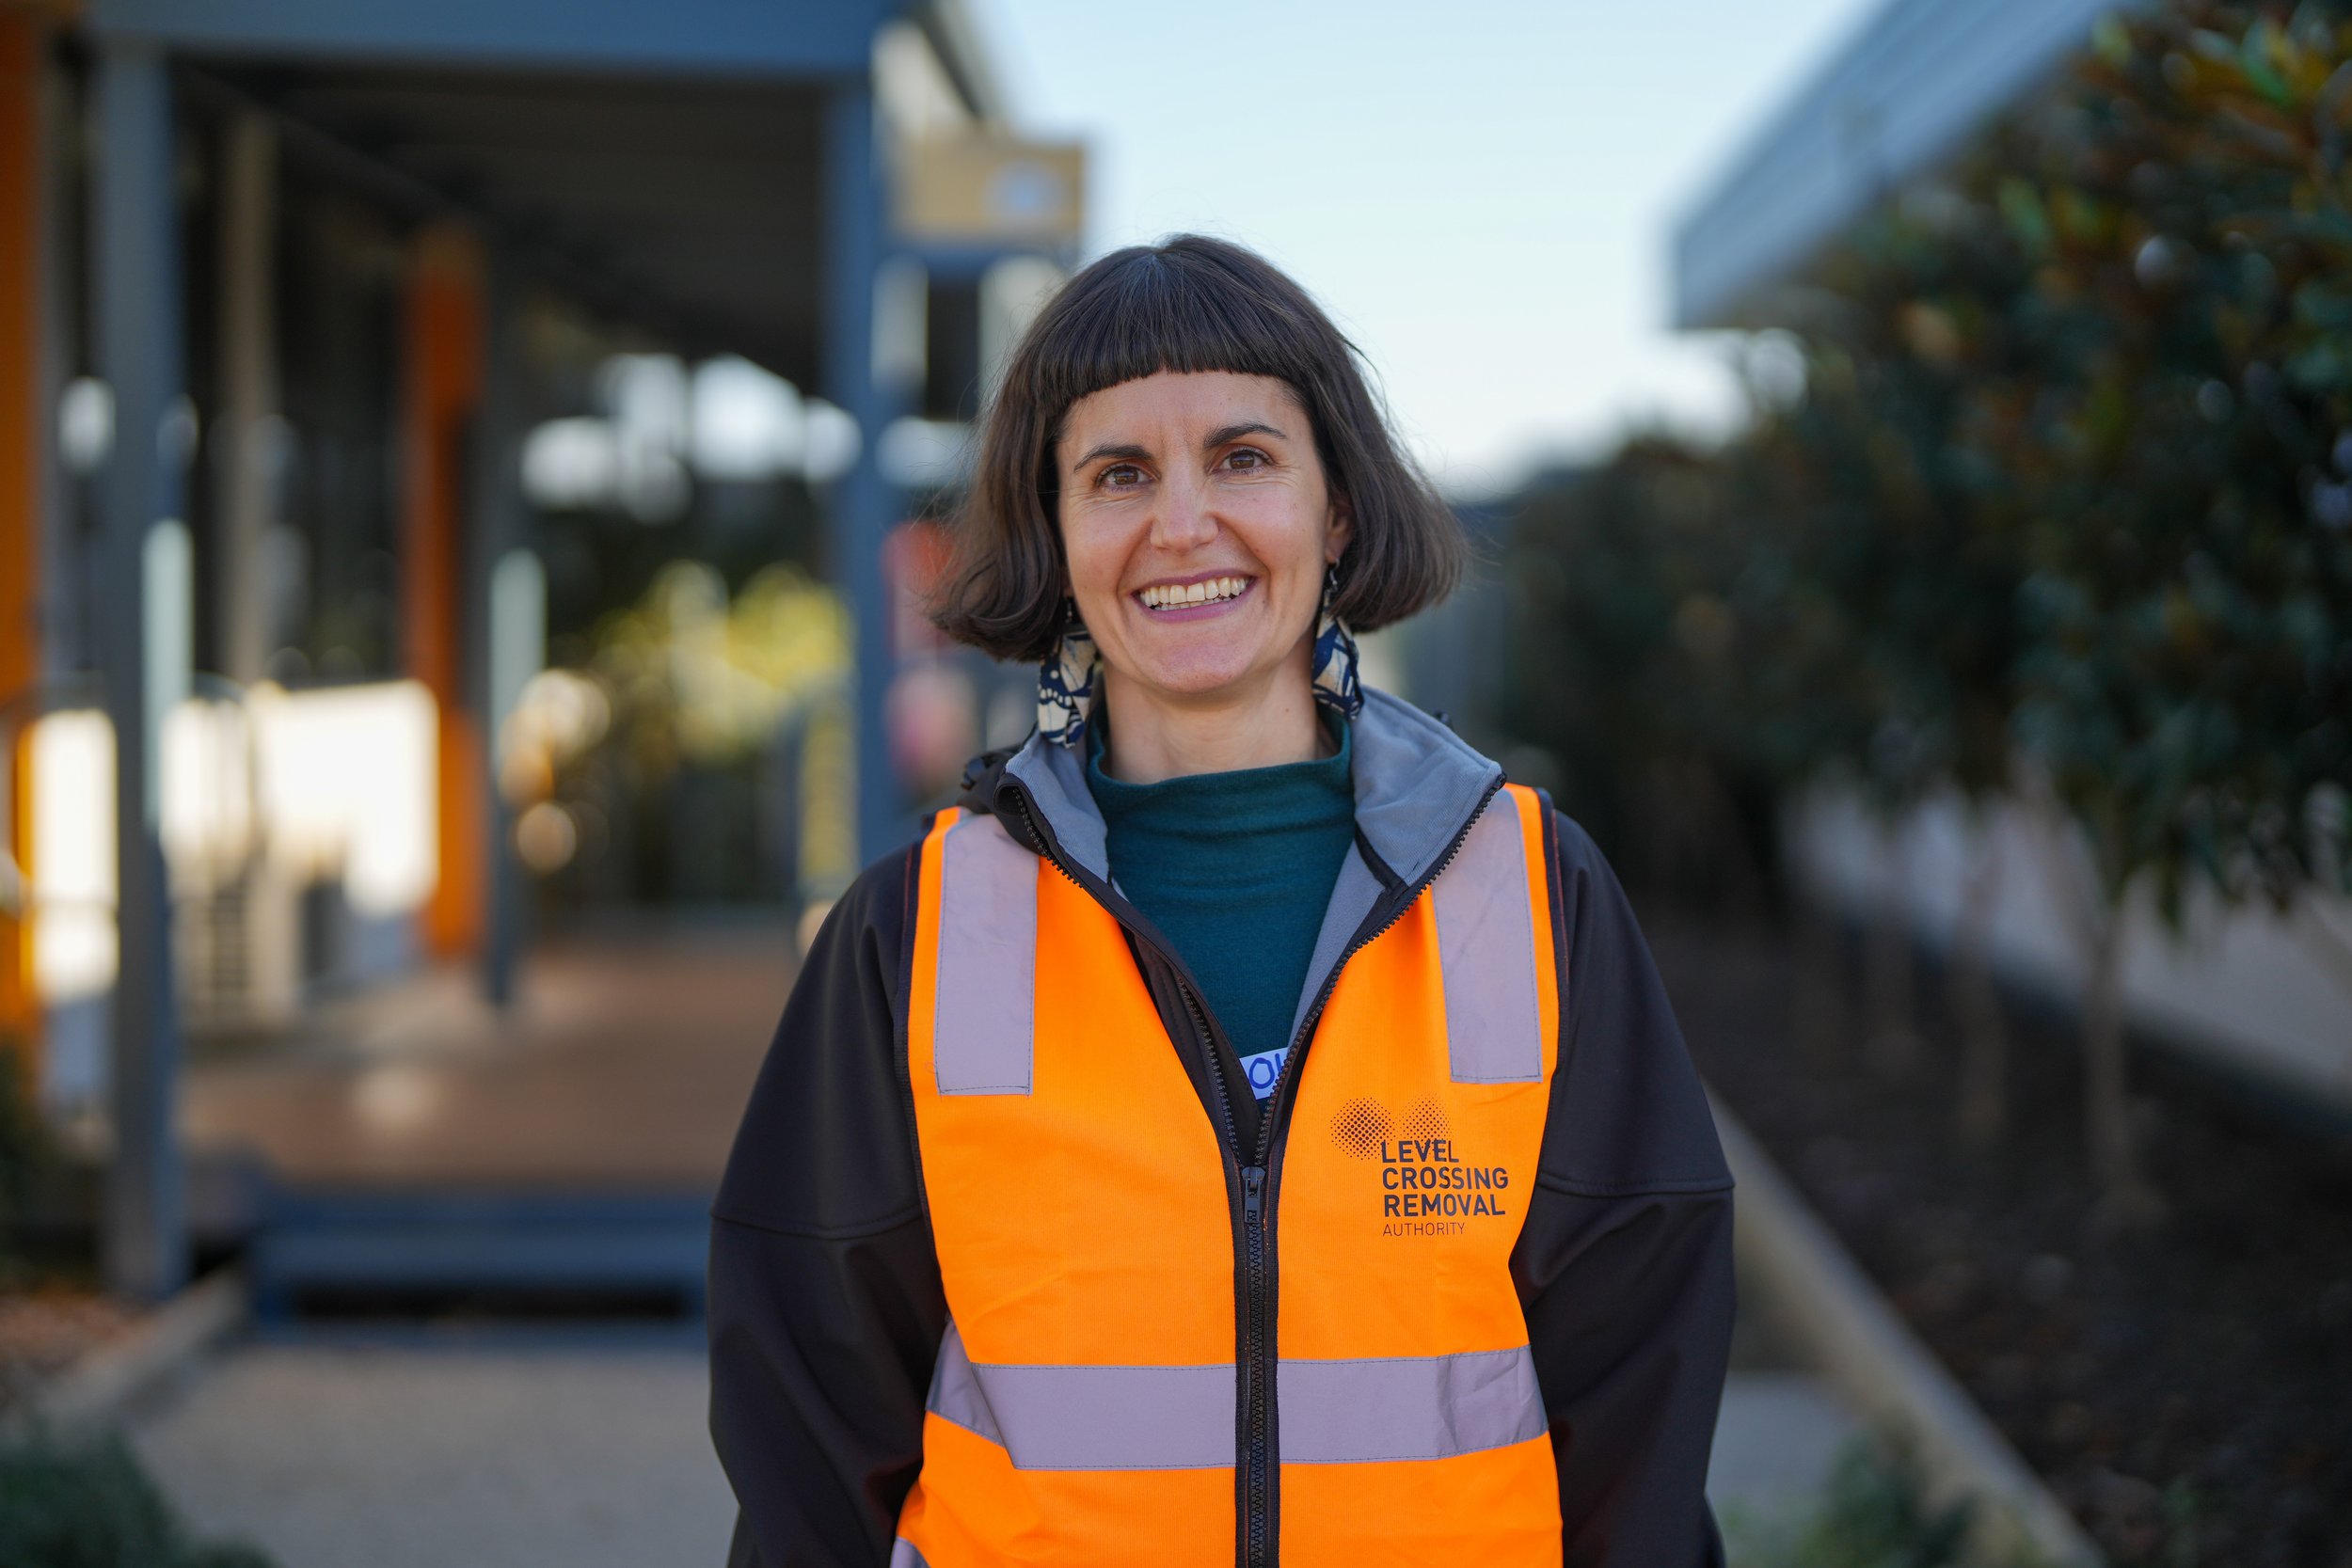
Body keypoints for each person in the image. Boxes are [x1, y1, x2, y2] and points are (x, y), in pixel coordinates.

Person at [708, 234, 1735, 1567]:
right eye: (1118, 474)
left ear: (1337, 510)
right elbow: (808, 1426)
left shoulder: (1532, 893)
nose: (1182, 524)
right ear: (1054, 532)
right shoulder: (915, 931)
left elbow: (1641, 1406)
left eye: (1244, 458)